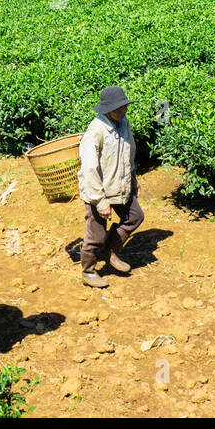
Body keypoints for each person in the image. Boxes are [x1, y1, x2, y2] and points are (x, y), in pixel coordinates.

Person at [78, 85, 145, 289]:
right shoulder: (95, 131)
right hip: (98, 190)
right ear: (108, 109)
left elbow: (129, 151)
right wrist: (99, 201)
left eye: (125, 106)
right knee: (95, 235)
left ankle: (110, 251)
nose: (124, 110)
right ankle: (88, 271)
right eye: (120, 107)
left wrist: (133, 176)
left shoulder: (124, 124)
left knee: (135, 216)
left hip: (120, 184)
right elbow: (90, 168)